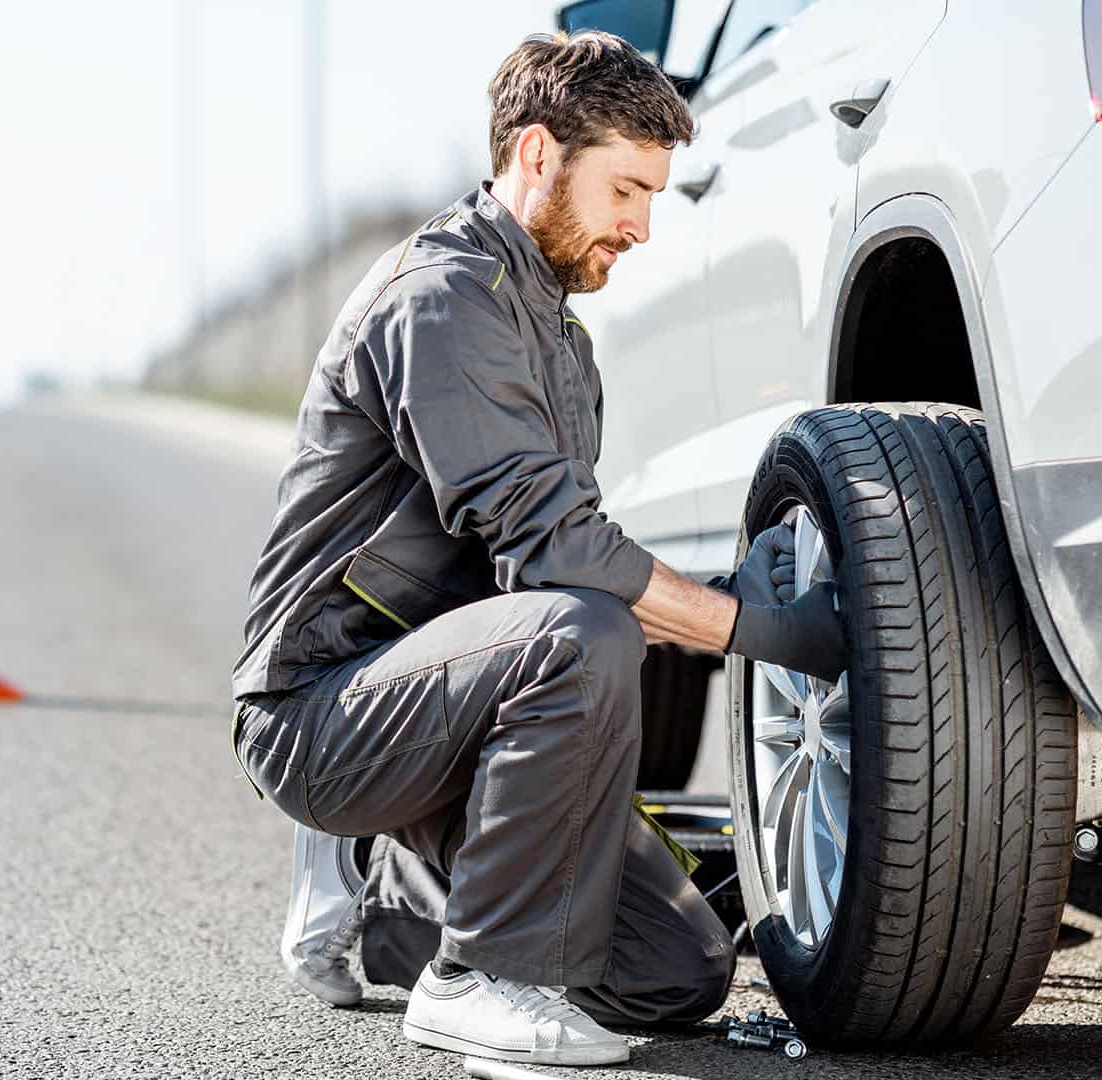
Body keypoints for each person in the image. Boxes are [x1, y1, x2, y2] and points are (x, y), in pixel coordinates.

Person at [231, 30, 847, 1067]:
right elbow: (559, 564)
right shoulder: (443, 300)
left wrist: (705, 600)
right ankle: (479, 980)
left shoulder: (559, 338)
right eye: (626, 191)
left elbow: (546, 563)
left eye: (654, 196)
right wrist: (756, 629)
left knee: (675, 973)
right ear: (535, 156)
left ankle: (392, 902)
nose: (644, 226)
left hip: (447, 702)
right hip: (320, 707)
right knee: (578, 633)